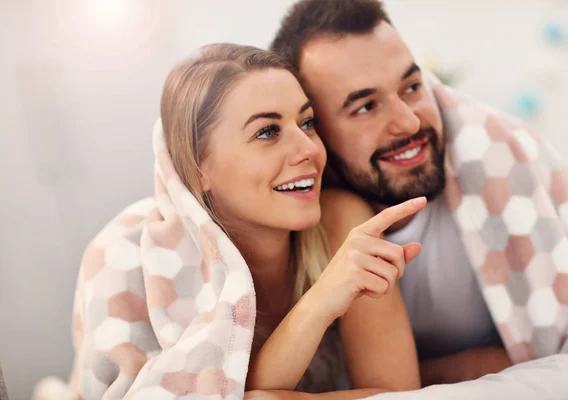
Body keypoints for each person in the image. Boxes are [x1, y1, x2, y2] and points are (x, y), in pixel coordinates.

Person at [50, 43, 426, 399]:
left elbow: (399, 394)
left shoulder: (341, 224)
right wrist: (318, 303)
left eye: (307, 122)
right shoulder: (124, 256)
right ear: (197, 169)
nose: (309, 149)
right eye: (267, 131)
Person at [269, 0, 568, 388]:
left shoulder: (495, 160)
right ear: (316, 132)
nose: (409, 121)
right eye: (366, 107)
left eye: (411, 87)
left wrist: (442, 370)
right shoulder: (328, 220)